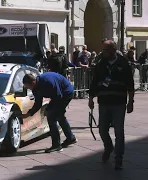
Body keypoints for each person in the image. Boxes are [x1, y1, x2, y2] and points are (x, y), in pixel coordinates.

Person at [88, 40, 134, 170]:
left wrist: (131, 101)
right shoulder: (100, 63)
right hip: (104, 102)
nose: (103, 52)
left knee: (119, 131)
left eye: (105, 50)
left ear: (112, 50)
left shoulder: (123, 63)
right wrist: (91, 97)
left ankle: (118, 158)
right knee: (102, 129)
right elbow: (95, 81)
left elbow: (130, 83)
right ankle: (108, 147)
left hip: (119, 102)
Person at [21, 72, 77, 153]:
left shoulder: (47, 82)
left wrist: (48, 109)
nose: (29, 89)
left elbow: (58, 96)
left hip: (66, 92)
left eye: (28, 87)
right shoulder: (35, 88)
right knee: (59, 116)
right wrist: (29, 113)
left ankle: (56, 145)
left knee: (52, 117)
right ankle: (71, 138)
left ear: (33, 82)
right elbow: (38, 103)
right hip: (58, 95)